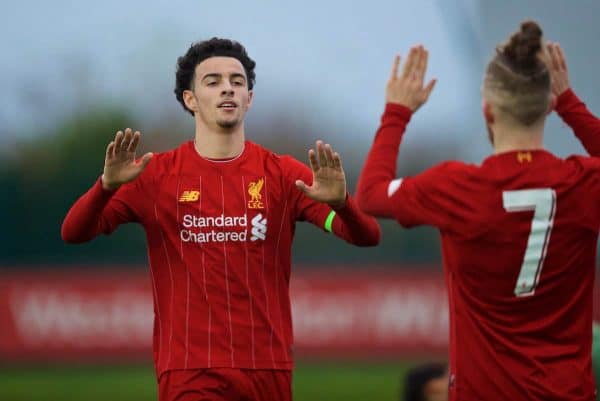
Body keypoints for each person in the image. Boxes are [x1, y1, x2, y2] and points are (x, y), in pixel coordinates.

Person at [61, 38, 380, 401]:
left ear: (249, 98)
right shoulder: (153, 177)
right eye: (212, 81)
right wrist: (104, 187)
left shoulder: (282, 175)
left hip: (268, 368)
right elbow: (74, 232)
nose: (227, 87)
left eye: (237, 81)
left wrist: (342, 204)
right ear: (190, 99)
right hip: (189, 369)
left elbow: (365, 235)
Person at [356, 21, 600, 401]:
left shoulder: (455, 186)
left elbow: (369, 195)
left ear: (488, 110)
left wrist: (396, 114)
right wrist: (572, 105)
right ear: (549, 105)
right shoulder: (584, 183)